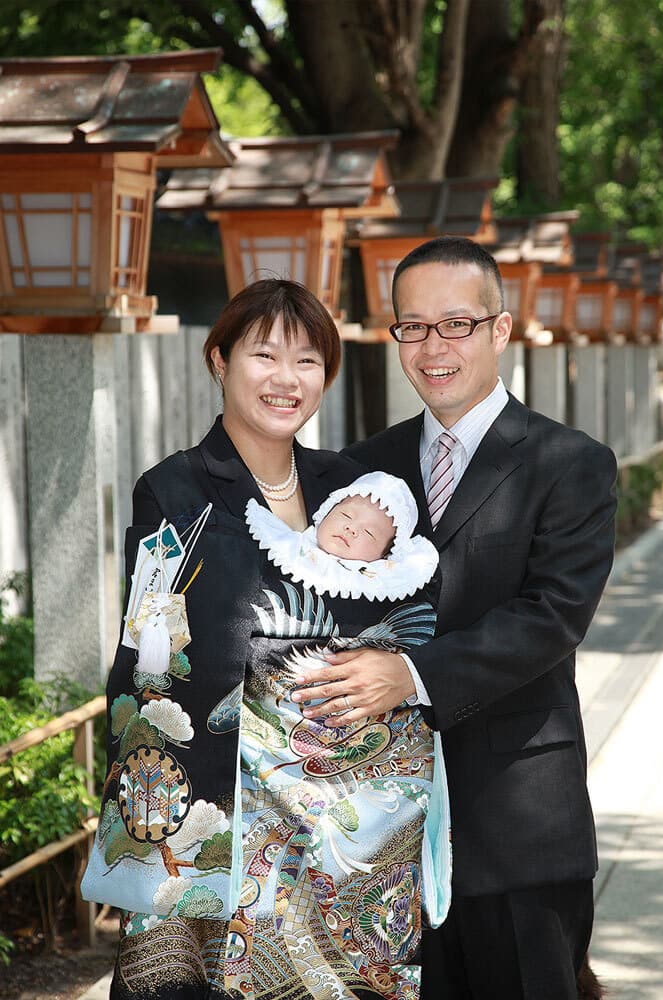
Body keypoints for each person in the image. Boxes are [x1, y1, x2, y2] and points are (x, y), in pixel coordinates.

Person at [292, 236, 618, 1000]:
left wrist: (410, 674)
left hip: (517, 819)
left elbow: (553, 615)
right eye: (413, 326)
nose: (432, 347)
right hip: (374, 834)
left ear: (500, 330)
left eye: (456, 324)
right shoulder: (358, 468)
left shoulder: (570, 463)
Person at [81, 278, 366, 1000]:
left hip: (328, 808)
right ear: (220, 360)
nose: (286, 378)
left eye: (307, 361)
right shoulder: (175, 490)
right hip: (211, 798)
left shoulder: (350, 488)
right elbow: (152, 656)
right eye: (264, 355)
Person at [227, 471, 448, 998]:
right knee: (263, 894)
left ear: (389, 553)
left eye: (368, 532)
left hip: (366, 758)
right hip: (272, 749)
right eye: (344, 516)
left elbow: (411, 647)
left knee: (360, 888)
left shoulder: (395, 589)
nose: (350, 530)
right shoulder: (279, 555)